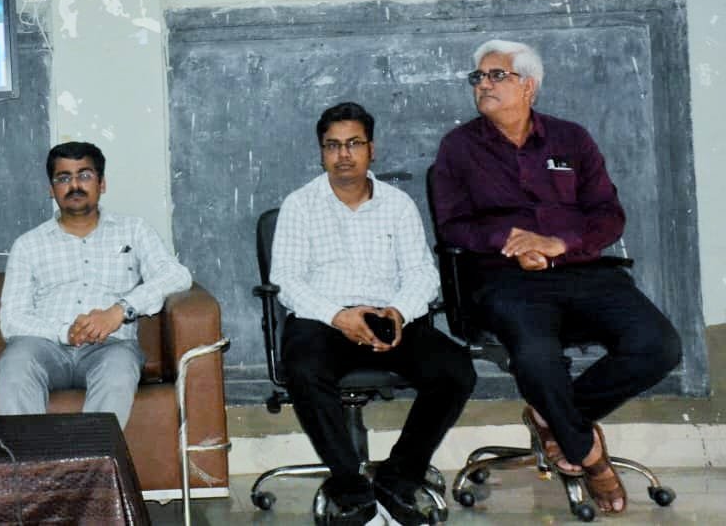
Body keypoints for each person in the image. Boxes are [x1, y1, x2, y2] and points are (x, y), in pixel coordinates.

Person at [431, 39, 681, 515]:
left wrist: (557, 244)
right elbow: (453, 225)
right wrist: (512, 240)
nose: (483, 84)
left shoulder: (572, 139)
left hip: (582, 270)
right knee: (535, 357)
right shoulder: (458, 148)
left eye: (496, 75)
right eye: (478, 77)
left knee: (659, 345)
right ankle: (590, 456)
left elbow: (608, 216)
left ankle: (554, 418)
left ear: (529, 86)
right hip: (506, 280)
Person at [272, 102, 474, 526]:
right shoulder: (300, 205)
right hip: (324, 321)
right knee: (304, 368)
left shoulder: (398, 205)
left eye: (354, 144)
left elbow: (421, 273)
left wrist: (399, 312)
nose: (343, 154)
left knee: (455, 369)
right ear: (321, 152)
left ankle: (398, 479)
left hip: (388, 317)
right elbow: (286, 280)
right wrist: (338, 316)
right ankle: (352, 491)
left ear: (371, 149)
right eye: (333, 146)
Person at [0, 141, 191, 430]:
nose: (74, 185)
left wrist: (119, 311)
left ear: (102, 183)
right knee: (16, 363)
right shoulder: (28, 244)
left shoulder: (133, 230)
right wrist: (65, 332)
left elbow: (177, 276)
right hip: (45, 347)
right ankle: (25, 460)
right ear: (51, 189)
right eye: (63, 178)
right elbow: (11, 319)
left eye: (84, 175)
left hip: (110, 346)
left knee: (119, 370)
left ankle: (91, 459)